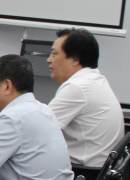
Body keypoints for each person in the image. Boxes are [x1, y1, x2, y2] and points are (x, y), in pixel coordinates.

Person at [47, 28, 124, 167]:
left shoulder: (77, 87)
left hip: (84, 171)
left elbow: (39, 128)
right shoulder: (93, 79)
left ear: (75, 59)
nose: (49, 60)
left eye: (54, 54)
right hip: (104, 167)